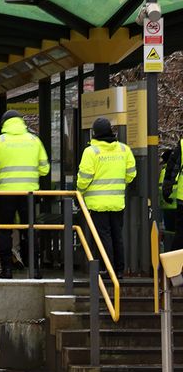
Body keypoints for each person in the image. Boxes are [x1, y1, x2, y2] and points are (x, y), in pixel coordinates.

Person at [0, 110, 50, 279]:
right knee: (30, 230)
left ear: (4, 123)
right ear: (22, 122)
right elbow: (45, 168)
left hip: (5, 194)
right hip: (28, 193)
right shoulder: (34, 140)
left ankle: (7, 269)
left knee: (5, 231)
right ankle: (34, 269)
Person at [76, 116, 136, 278]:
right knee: (118, 236)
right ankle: (119, 270)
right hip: (117, 202)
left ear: (94, 133)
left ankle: (107, 269)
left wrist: (79, 192)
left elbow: (84, 178)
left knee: (103, 237)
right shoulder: (124, 150)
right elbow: (131, 175)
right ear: (111, 130)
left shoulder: (91, 152)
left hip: (97, 204)